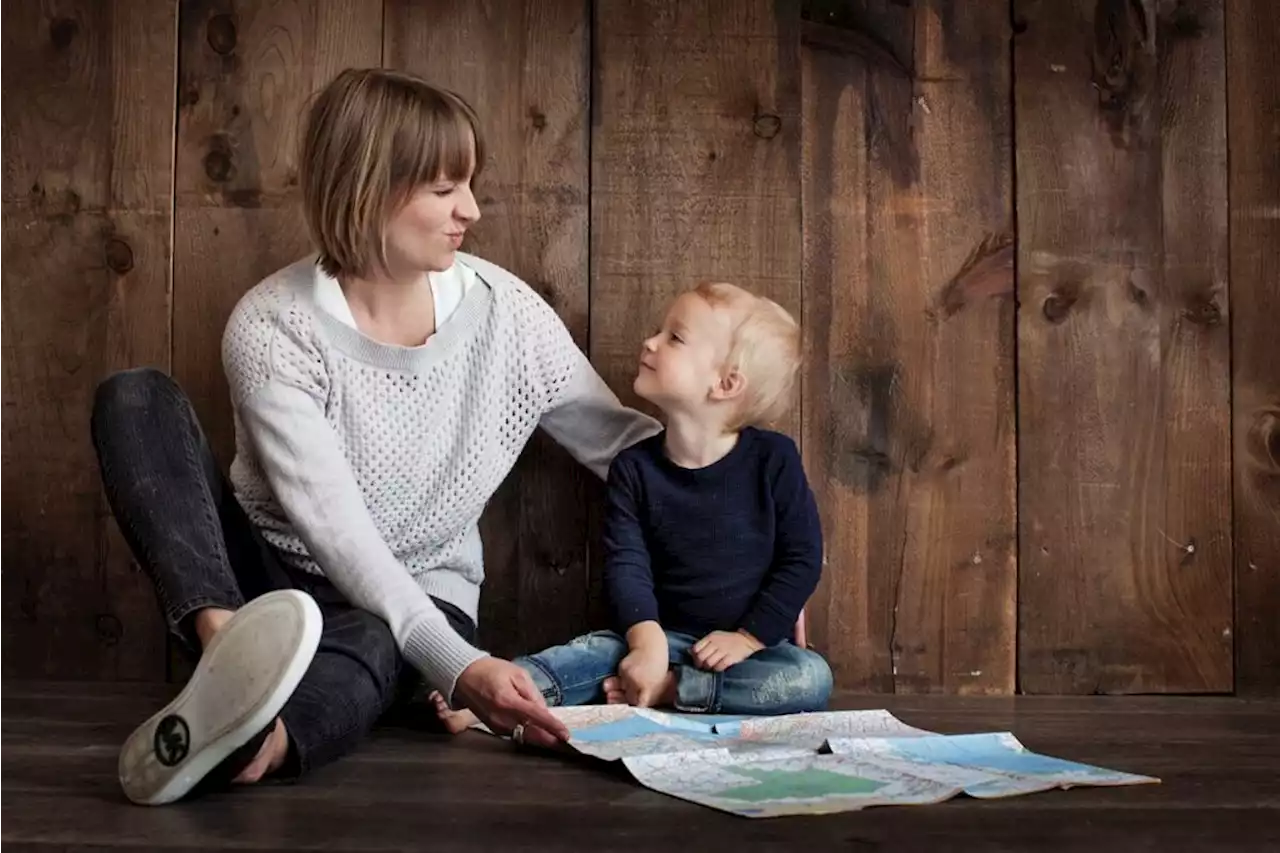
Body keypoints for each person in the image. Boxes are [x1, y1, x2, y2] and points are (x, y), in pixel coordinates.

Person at [89, 66, 660, 806]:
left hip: (417, 596)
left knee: (375, 636)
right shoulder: (272, 327)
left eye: (469, 184)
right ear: (370, 187)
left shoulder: (507, 316)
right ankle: (228, 651)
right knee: (135, 397)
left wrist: (755, 531)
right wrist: (463, 669)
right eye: (445, 188)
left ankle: (256, 740)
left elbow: (625, 447)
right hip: (265, 583)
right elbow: (338, 532)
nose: (472, 210)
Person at [435, 281, 832, 737]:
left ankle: (672, 691)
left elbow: (802, 557)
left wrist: (749, 638)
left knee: (810, 677)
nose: (650, 342)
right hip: (657, 635)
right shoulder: (635, 469)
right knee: (587, 654)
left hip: (746, 652)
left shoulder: (773, 460)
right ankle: (492, 695)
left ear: (725, 383)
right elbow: (628, 565)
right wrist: (647, 643)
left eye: (674, 338)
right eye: (658, 331)